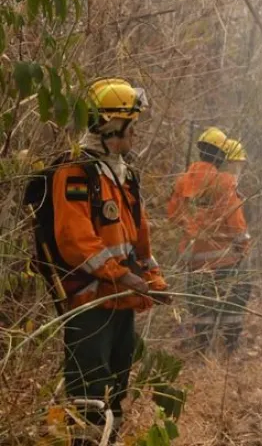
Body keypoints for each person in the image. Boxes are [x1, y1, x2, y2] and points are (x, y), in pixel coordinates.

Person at [48, 77, 169, 444]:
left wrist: (154, 281)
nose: (133, 136)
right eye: (129, 127)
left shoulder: (123, 175)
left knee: (116, 389)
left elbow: (139, 242)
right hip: (90, 302)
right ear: (111, 128)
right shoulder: (75, 173)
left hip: (121, 300)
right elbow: (75, 239)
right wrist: (119, 275)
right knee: (88, 393)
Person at [167, 128, 250, 353]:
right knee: (231, 302)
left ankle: (202, 348)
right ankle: (229, 347)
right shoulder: (223, 182)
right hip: (223, 259)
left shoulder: (183, 181)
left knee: (199, 306)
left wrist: (192, 227)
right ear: (221, 156)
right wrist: (243, 247)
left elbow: (173, 215)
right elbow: (236, 224)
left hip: (194, 260)